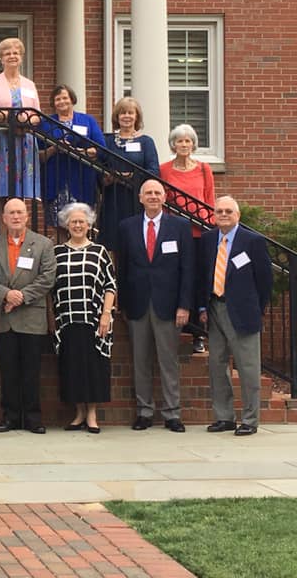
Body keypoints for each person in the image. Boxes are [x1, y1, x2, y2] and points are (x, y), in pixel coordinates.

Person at [117, 179, 194, 433]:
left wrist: (184, 305)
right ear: (140, 198)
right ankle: (144, 411)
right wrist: (124, 304)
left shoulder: (180, 227)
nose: (152, 196)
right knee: (140, 360)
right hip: (137, 304)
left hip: (169, 305)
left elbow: (187, 269)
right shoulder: (127, 227)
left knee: (168, 360)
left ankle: (172, 414)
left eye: (157, 193)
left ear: (165, 197)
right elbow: (123, 269)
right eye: (148, 193)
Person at [198, 196, 273, 437]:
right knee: (217, 365)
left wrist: (256, 308)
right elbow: (203, 275)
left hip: (242, 311)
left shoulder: (253, 241)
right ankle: (224, 417)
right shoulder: (208, 240)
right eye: (219, 211)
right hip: (214, 308)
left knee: (248, 367)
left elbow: (264, 281)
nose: (223, 215)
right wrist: (202, 307)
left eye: (228, 211)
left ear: (237, 215)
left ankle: (250, 419)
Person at [0, 198, 56, 434]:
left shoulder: (43, 244)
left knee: (32, 370)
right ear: (3, 218)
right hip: (4, 318)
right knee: (8, 370)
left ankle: (33, 418)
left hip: (32, 317)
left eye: (19, 212)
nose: (15, 216)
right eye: (11, 213)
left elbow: (47, 278)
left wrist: (21, 296)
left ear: (27, 217)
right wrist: (6, 295)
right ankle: (10, 417)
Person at [52, 203, 117, 434]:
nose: (78, 225)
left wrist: (106, 315)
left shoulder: (99, 252)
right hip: (67, 319)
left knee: (94, 367)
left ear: (89, 225)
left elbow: (110, 285)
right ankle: (78, 413)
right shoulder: (57, 252)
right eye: (73, 222)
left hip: (94, 319)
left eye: (82, 222)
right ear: (66, 225)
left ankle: (92, 414)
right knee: (72, 367)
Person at [160, 122, 215, 353]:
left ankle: (197, 333)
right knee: (177, 276)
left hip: (200, 233)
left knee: (199, 280)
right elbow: (163, 201)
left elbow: (210, 199)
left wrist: (212, 228)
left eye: (188, 140)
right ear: (173, 145)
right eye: (179, 141)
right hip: (176, 233)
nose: (184, 144)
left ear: (193, 144)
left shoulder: (204, 169)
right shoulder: (164, 170)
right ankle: (177, 326)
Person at [0, 38, 41, 206]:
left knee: (19, 191)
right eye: (7, 53)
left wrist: (26, 123)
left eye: (16, 53)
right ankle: (1, 231)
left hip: (24, 140)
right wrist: (15, 118)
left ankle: (17, 231)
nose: (12, 56)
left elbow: (36, 114)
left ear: (21, 57)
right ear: (1, 58)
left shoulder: (29, 84)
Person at [38, 84, 105, 228]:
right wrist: (54, 149)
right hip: (56, 181)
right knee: (59, 225)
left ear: (72, 99)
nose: (62, 101)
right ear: (53, 103)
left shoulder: (87, 120)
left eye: (65, 98)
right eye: (58, 99)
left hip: (82, 179)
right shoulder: (45, 123)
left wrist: (77, 151)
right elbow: (38, 155)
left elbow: (100, 149)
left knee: (82, 223)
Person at [98, 98, 159, 253]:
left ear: (136, 117)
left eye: (130, 113)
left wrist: (131, 176)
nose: (126, 116)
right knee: (114, 243)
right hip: (113, 199)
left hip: (136, 200)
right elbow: (98, 168)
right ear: (117, 117)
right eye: (122, 113)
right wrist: (106, 177)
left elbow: (154, 171)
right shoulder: (108, 141)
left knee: (136, 243)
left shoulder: (146, 142)